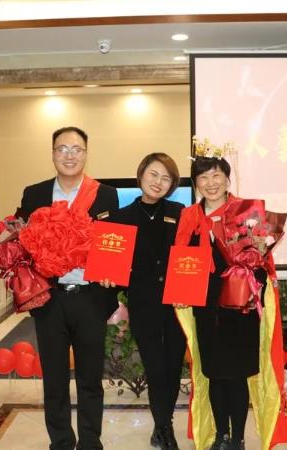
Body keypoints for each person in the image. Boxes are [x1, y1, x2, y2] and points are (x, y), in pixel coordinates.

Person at [173, 154, 287, 450]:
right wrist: (180, 291)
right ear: (196, 183)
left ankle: (237, 437)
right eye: (203, 177)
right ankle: (220, 435)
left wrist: (259, 252)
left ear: (227, 179)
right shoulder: (189, 216)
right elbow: (182, 259)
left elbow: (262, 266)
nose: (210, 183)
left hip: (241, 308)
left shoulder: (246, 212)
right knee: (214, 374)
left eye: (216, 175)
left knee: (237, 375)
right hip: (205, 307)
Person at [17, 126, 119, 450]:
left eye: (77, 149)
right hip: (50, 300)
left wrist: (112, 275)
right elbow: (20, 240)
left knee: (90, 378)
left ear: (86, 154)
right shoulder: (34, 194)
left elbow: (115, 241)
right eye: (63, 149)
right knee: (55, 380)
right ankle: (61, 442)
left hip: (91, 298)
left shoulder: (105, 194)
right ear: (52, 154)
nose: (70, 155)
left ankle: (90, 441)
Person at [102, 153, 186, 450]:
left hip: (177, 304)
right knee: (155, 367)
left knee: (173, 367)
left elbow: (191, 255)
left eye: (166, 178)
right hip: (143, 303)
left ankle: (163, 426)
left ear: (172, 184)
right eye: (153, 174)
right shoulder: (120, 218)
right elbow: (112, 266)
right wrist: (108, 277)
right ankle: (164, 428)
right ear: (141, 175)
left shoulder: (180, 212)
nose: (158, 182)